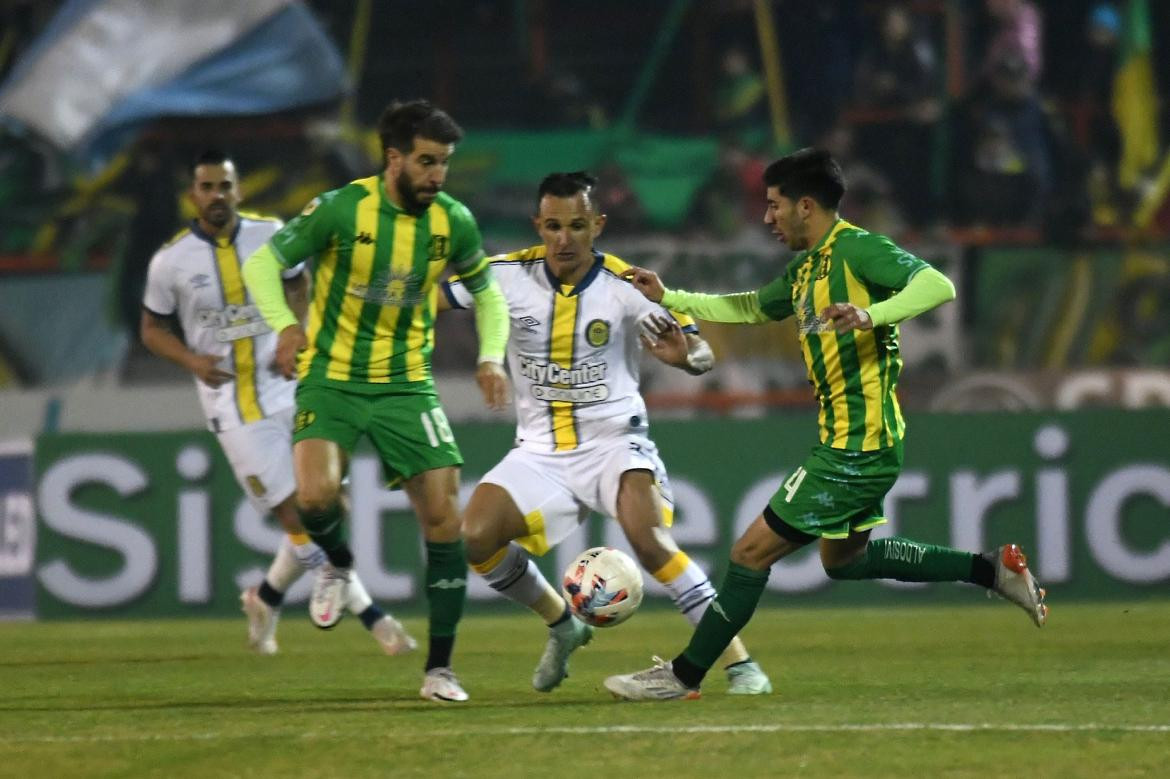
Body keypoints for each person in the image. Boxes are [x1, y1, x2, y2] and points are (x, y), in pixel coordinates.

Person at [604, 148, 1048, 701]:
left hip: (855, 448)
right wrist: (668, 295)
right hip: (861, 443)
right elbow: (749, 308)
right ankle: (992, 569)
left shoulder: (858, 249)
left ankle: (682, 676)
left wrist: (871, 314)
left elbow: (937, 284)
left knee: (748, 555)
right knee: (846, 560)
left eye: (773, 206)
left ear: (805, 205)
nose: (766, 218)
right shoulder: (805, 268)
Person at [439, 171, 772, 696]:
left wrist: (686, 358)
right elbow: (428, 302)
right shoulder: (503, 275)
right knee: (475, 537)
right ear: (538, 225)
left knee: (649, 539)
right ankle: (561, 623)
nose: (563, 238)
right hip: (540, 452)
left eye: (576, 225)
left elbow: (701, 350)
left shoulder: (627, 286)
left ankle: (740, 665)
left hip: (616, 441)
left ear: (597, 225)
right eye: (552, 226)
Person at [242, 100, 510, 703]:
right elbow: (265, 263)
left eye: (443, 163)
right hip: (332, 377)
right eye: (426, 162)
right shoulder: (341, 209)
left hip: (406, 383)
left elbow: (486, 295)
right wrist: (285, 324)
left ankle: (440, 670)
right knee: (313, 498)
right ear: (394, 158)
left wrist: (490, 356)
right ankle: (337, 560)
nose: (437, 175)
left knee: (445, 519)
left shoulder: (454, 221)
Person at [141, 149, 415, 658]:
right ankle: (377, 620)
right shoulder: (170, 262)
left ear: (238, 189)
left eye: (224, 185)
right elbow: (151, 329)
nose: (216, 196)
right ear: (192, 195)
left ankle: (265, 597)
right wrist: (192, 361)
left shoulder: (270, 235)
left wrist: (296, 334)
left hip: (291, 387)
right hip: (234, 405)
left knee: (331, 503)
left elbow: (299, 285)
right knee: (299, 520)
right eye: (206, 187)